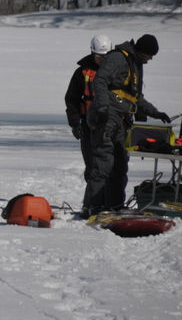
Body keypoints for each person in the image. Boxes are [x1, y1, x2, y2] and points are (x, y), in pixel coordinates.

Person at [82, 34, 172, 217]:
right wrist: (103, 106)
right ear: (142, 51)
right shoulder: (117, 58)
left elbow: (135, 97)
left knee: (120, 164)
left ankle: (114, 205)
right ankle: (91, 206)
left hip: (122, 120)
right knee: (103, 164)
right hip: (106, 117)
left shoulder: (135, 63)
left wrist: (155, 113)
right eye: (150, 55)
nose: (151, 59)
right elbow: (99, 81)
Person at [64, 34, 111, 177]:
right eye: (99, 56)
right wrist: (75, 123)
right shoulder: (81, 73)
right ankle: (92, 196)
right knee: (91, 165)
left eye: (105, 56)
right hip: (88, 124)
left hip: (111, 124)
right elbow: (71, 99)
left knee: (111, 166)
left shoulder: (116, 71)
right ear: (92, 53)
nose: (102, 60)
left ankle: (108, 198)